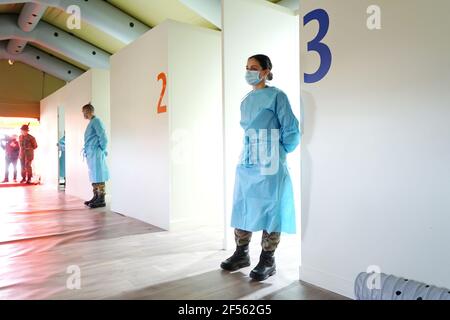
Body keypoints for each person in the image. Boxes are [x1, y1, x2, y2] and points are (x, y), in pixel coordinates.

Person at [220, 54, 301, 281]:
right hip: (248, 157)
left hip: (271, 157)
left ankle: (268, 260)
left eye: (254, 67)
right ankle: (241, 253)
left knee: (271, 209)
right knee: (242, 203)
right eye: (247, 67)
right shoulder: (246, 100)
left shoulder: (277, 96)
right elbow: (247, 131)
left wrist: (278, 151)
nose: (249, 71)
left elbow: (292, 131)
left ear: (266, 71)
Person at [82, 103, 110, 208]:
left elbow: (103, 136)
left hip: (96, 153)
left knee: (99, 175)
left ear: (88, 111)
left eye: (84, 112)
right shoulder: (91, 123)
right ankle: (96, 197)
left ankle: (101, 199)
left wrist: (101, 149)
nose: (83, 114)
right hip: (91, 153)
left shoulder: (96, 121)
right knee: (94, 175)